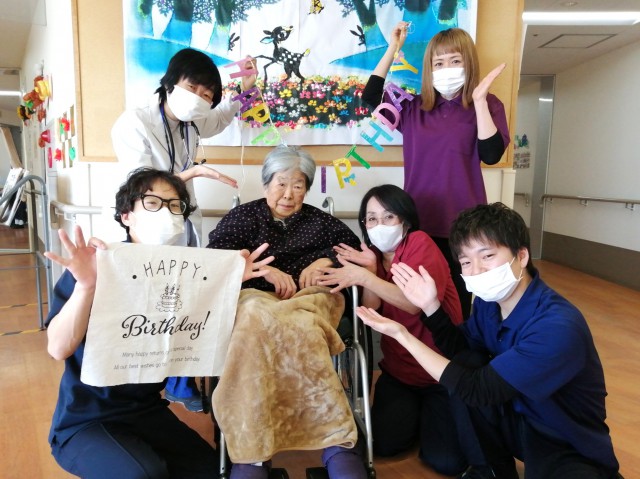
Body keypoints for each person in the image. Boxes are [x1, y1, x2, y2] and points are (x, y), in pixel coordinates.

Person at [356, 203, 623, 479]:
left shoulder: (556, 326)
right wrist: (431, 307)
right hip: (518, 419)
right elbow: (461, 351)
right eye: (466, 262)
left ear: (521, 256)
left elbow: (477, 390)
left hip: (564, 440)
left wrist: (403, 335)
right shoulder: (489, 304)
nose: (476, 271)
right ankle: (489, 471)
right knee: (468, 361)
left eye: (487, 256)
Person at [44, 167, 273, 479]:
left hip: (146, 410)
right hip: (86, 420)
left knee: (212, 472)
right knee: (145, 474)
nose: (166, 212)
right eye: (152, 203)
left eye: (175, 205)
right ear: (126, 216)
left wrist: (229, 280)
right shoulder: (96, 267)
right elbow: (58, 348)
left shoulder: (185, 275)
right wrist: (86, 287)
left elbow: (205, 333)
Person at [207, 145, 367, 479]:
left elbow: (354, 252)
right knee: (253, 320)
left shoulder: (321, 222)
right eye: (281, 183)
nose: (289, 193)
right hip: (255, 298)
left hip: (311, 299)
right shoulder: (243, 218)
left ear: (306, 189)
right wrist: (261, 270)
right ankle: (252, 452)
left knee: (305, 326)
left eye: (298, 185)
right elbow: (214, 259)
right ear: (266, 183)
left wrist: (325, 261)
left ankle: (336, 440)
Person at [112, 47, 257, 408]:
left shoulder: (192, 122)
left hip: (182, 221)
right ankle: (144, 384)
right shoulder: (134, 122)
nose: (200, 99)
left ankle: (180, 381)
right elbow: (142, 185)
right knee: (153, 304)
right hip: (148, 228)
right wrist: (192, 173)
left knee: (185, 299)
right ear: (171, 82)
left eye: (208, 94)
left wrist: (247, 86)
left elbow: (221, 118)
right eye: (194, 88)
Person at [316, 184, 467, 476]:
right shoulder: (374, 257)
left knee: (447, 462)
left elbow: (414, 303)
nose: (379, 225)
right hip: (400, 374)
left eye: (388, 217)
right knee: (383, 445)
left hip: (441, 372)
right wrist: (371, 271)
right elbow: (370, 312)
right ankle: (419, 417)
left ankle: (431, 417)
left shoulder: (420, 243)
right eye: (371, 219)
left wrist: (364, 277)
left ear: (405, 220)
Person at [361, 25, 510, 319]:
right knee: (419, 302)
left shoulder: (488, 104)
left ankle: (459, 349)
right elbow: (370, 97)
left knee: (459, 305)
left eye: (455, 61)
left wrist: (479, 100)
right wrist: (392, 48)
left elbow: (492, 155)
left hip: (465, 226)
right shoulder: (413, 108)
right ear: (429, 69)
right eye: (438, 63)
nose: (446, 69)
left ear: (469, 63)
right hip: (419, 224)